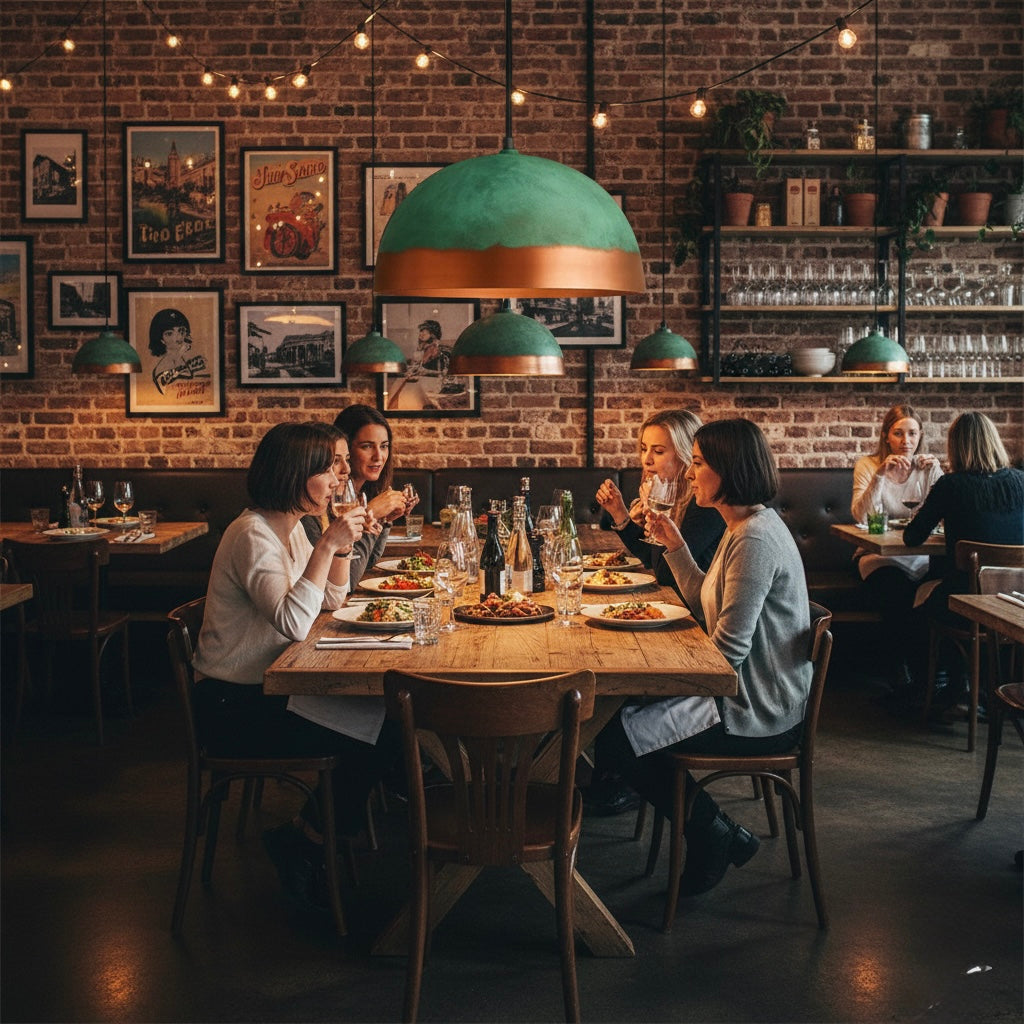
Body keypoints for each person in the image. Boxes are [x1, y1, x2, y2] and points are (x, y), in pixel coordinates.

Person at [594, 419, 814, 899]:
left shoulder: (754, 538)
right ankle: (713, 831)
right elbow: (703, 602)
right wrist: (675, 545)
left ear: (728, 471)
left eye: (697, 464)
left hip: (753, 708)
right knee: (614, 720)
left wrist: (657, 675)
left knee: (614, 736)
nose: (690, 476)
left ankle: (713, 834)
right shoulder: (743, 526)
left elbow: (728, 655)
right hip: (740, 690)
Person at [192, 421, 398, 910]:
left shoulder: (290, 529)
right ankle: (308, 843)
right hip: (232, 708)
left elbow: (329, 600)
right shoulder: (253, 534)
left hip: (264, 690)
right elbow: (291, 622)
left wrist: (339, 546)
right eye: (333, 466)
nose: (342, 476)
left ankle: (313, 839)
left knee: (388, 723)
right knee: (382, 730)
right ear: (296, 472)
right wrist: (328, 543)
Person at [903, 412, 1024, 696]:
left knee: (917, 601)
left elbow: (912, 537)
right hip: (1014, 601)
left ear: (955, 446)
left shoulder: (951, 485)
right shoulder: (1021, 481)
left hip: (966, 600)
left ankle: (934, 689)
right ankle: (983, 690)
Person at [850, 404, 943, 692]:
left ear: (920, 436)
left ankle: (929, 677)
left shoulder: (927, 468)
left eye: (912, 433)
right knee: (898, 593)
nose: (906, 441)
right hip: (876, 556)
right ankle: (902, 671)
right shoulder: (868, 465)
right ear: (886, 436)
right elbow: (861, 517)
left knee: (936, 594)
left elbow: (939, 517)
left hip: (920, 557)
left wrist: (937, 473)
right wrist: (880, 475)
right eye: (899, 433)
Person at [596, 409, 725, 586]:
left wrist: (654, 511)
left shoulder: (704, 504)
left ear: (685, 454)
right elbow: (650, 557)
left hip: (698, 610)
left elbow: (665, 574)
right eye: (643, 449)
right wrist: (619, 513)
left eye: (658, 451)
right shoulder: (672, 497)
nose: (646, 459)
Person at [332, 404, 416, 587]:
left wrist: (385, 519)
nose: (379, 456)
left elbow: (369, 562)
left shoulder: (363, 492)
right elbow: (348, 582)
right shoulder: (331, 500)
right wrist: (369, 513)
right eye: (367, 446)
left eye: (384, 446)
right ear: (346, 448)